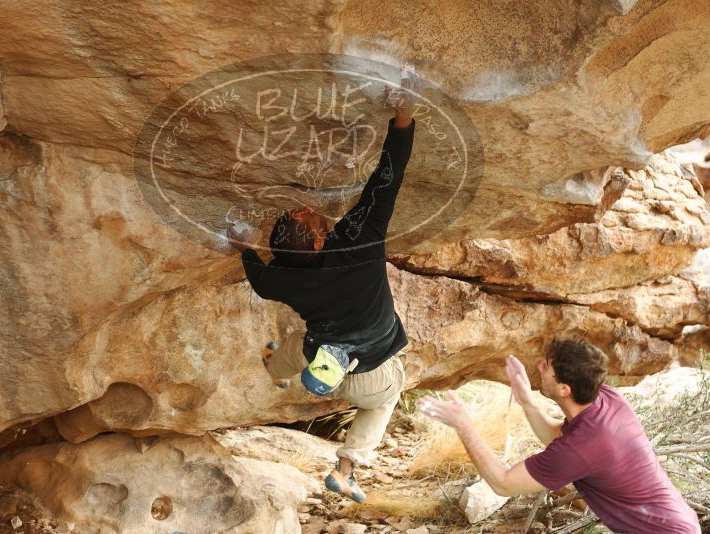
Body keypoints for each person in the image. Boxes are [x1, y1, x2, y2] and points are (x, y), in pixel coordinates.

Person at [228, 71, 418, 503]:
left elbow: (259, 280)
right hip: (367, 373)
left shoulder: (287, 278)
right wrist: (403, 114)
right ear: (316, 240)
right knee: (387, 396)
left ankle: (276, 369)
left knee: (301, 343)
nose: (311, 207)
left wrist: (243, 246)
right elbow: (389, 176)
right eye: (307, 216)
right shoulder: (360, 239)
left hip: (324, 357)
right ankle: (347, 469)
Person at [418, 339, 701, 533]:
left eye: (547, 367)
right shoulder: (605, 399)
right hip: (678, 522)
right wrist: (527, 401)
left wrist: (464, 425)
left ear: (565, 389)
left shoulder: (583, 447)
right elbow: (557, 436)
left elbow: (503, 484)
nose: (540, 365)